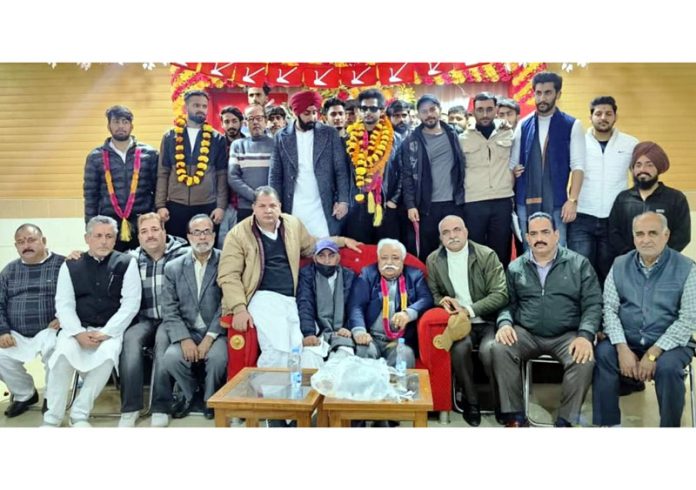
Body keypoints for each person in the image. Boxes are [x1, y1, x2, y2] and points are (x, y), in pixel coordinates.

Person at [217, 186, 360, 368]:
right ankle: (270, 396)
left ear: (280, 206)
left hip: (292, 298)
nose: (268, 210)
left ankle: (298, 394)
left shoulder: (292, 224)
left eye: (272, 205)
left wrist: (341, 241)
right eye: (262, 206)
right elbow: (228, 275)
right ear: (253, 207)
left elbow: (312, 246)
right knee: (277, 352)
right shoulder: (238, 235)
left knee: (299, 349)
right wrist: (239, 308)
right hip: (262, 298)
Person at [491, 212, 601, 427]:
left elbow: (593, 304)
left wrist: (585, 335)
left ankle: (566, 420)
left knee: (584, 359)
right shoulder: (515, 267)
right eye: (534, 233)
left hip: (567, 335)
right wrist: (504, 323)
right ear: (527, 237)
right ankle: (514, 416)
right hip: (527, 333)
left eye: (545, 232)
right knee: (499, 348)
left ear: (556, 234)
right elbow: (506, 303)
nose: (539, 238)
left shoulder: (579, 264)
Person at [594, 212, 696, 427]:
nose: (645, 239)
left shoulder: (688, 268)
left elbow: (688, 319)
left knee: (668, 368)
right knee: (603, 354)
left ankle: (669, 428)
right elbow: (609, 309)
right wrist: (621, 348)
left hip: (671, 346)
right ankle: (608, 425)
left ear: (666, 235)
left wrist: (653, 353)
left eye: (653, 233)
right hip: (628, 340)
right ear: (633, 238)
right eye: (639, 234)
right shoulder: (620, 264)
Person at [42, 216, 141, 427]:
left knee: (106, 358)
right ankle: (52, 418)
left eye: (109, 236)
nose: (103, 241)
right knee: (61, 357)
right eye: (98, 236)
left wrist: (106, 332)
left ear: (115, 240)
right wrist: (77, 333)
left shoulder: (126, 263)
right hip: (76, 329)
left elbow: (131, 304)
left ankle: (79, 415)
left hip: (109, 330)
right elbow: (64, 304)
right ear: (87, 238)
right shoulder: (71, 265)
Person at [425, 215, 508, 426]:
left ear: (466, 232)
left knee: (490, 350)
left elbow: (500, 294)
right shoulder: (434, 260)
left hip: (489, 320)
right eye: (446, 232)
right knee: (460, 350)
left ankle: (502, 403)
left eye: (456, 230)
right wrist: (441, 301)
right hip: (459, 324)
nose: (452, 236)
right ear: (440, 237)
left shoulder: (486, 255)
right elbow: (434, 294)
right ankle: (471, 403)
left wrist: (469, 309)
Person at [118, 212, 188, 427]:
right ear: (138, 237)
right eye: (144, 231)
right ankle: (130, 408)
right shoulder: (131, 259)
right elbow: (100, 257)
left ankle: (161, 406)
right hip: (145, 319)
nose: (150, 235)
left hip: (172, 319)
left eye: (154, 229)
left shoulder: (182, 255)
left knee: (162, 342)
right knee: (130, 339)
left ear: (164, 231)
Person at [161, 214, 227, 420]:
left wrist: (209, 338)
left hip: (215, 331)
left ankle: (210, 400)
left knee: (218, 358)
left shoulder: (226, 261)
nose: (202, 237)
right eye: (197, 233)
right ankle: (191, 394)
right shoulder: (173, 267)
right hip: (188, 331)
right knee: (171, 358)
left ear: (214, 236)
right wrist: (184, 339)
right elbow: (169, 309)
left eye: (207, 232)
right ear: (189, 237)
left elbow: (227, 304)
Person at [509, 71, 585, 246]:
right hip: (524, 201)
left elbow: (578, 166)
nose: (542, 98)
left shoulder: (572, 125)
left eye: (548, 93)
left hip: (557, 202)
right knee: (529, 252)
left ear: (558, 94)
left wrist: (572, 200)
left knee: (559, 251)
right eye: (538, 93)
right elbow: (512, 164)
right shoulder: (523, 125)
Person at [567, 96, 638, 284]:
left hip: (613, 218)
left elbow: (640, 175)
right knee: (580, 271)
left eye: (608, 113)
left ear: (615, 117)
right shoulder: (577, 141)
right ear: (590, 117)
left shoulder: (630, 144)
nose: (603, 117)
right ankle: (583, 312)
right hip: (581, 216)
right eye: (598, 113)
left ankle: (607, 312)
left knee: (609, 272)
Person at [0, 224, 64, 417]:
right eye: (21, 242)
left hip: (50, 329)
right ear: (16, 246)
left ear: (43, 241)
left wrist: (63, 317)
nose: (26, 245)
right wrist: (2, 330)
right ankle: (24, 395)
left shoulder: (63, 265)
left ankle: (52, 398)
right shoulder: (9, 271)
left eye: (31, 240)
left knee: (57, 351)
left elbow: (79, 296)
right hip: (15, 332)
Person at [269, 90, 350, 237]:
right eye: (307, 113)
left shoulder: (329, 133)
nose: (312, 117)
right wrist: (274, 204)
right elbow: (275, 174)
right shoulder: (281, 136)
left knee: (325, 246)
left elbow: (341, 170)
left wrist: (343, 200)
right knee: (296, 245)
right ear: (296, 113)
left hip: (323, 201)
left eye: (315, 112)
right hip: (294, 202)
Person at [83, 105, 159, 251]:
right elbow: (90, 196)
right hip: (109, 223)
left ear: (131, 125)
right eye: (116, 122)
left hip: (142, 221)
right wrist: (90, 228)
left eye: (125, 122)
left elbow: (158, 189)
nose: (121, 126)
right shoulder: (95, 157)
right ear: (109, 125)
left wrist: (154, 217)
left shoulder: (149, 154)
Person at [155, 90, 228, 240]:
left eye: (204, 106)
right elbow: (163, 173)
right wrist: (160, 205)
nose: (201, 109)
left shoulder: (217, 138)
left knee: (205, 248)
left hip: (207, 205)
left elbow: (222, 175)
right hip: (175, 205)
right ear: (186, 108)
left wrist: (220, 206)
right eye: (196, 105)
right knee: (176, 249)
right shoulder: (170, 137)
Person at [401, 94, 467, 261]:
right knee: (428, 253)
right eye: (424, 111)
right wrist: (410, 205)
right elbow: (407, 176)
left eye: (432, 109)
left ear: (439, 111)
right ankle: (429, 286)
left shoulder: (454, 134)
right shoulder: (411, 141)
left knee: (456, 249)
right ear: (418, 115)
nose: (429, 114)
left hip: (454, 203)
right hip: (426, 207)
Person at [349, 238, 433, 367]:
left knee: (404, 356)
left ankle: (399, 387)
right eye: (384, 258)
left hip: (400, 341)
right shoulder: (367, 274)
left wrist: (408, 313)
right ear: (378, 259)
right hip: (371, 338)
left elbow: (426, 299)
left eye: (395, 258)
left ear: (402, 260)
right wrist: (359, 331)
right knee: (363, 352)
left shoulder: (415, 275)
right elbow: (356, 306)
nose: (389, 262)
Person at [459, 92, 515, 267]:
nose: (485, 114)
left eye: (489, 109)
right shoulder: (462, 138)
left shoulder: (508, 133)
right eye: (480, 110)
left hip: (502, 200)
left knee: (501, 252)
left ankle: (501, 291)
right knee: (475, 253)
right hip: (474, 202)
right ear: (473, 111)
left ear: (496, 110)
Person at [608, 141, 690, 256]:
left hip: (665, 264)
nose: (643, 169)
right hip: (629, 264)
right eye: (638, 165)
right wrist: (631, 257)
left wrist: (660, 257)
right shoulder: (623, 199)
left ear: (658, 168)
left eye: (649, 164)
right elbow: (613, 232)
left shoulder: (676, 198)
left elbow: (682, 236)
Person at [343, 88, 403, 245]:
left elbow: (404, 173)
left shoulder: (395, 140)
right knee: (359, 252)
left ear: (382, 110)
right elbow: (341, 174)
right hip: (357, 206)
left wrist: (394, 200)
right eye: (363, 108)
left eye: (373, 108)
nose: (367, 112)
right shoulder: (348, 139)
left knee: (386, 251)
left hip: (385, 205)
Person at [297, 239, 363, 368]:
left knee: (342, 361)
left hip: (342, 333)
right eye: (321, 256)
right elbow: (305, 304)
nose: (327, 261)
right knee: (309, 359)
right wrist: (308, 333)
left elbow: (354, 306)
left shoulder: (349, 276)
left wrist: (348, 328)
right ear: (315, 258)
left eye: (331, 256)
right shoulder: (307, 274)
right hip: (318, 333)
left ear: (338, 258)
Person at [229, 103, 275, 223]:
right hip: (246, 207)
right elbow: (233, 177)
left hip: (271, 207)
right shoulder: (238, 145)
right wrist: (256, 197)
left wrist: (267, 200)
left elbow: (282, 176)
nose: (255, 122)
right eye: (251, 119)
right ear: (245, 123)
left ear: (265, 121)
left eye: (259, 118)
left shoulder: (276, 145)